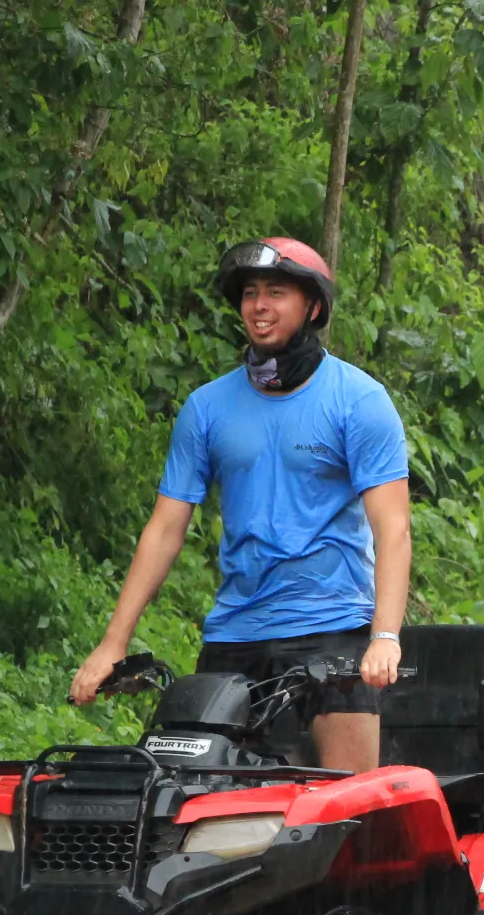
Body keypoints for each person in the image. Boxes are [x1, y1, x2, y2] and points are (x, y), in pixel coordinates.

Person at [69, 237, 412, 773]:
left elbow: (393, 529)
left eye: (276, 292)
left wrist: (384, 636)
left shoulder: (359, 401)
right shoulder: (207, 407)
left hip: (332, 632)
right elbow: (164, 529)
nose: (259, 306)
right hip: (235, 633)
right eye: (250, 293)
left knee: (352, 816)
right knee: (208, 813)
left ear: (313, 307)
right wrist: (114, 642)